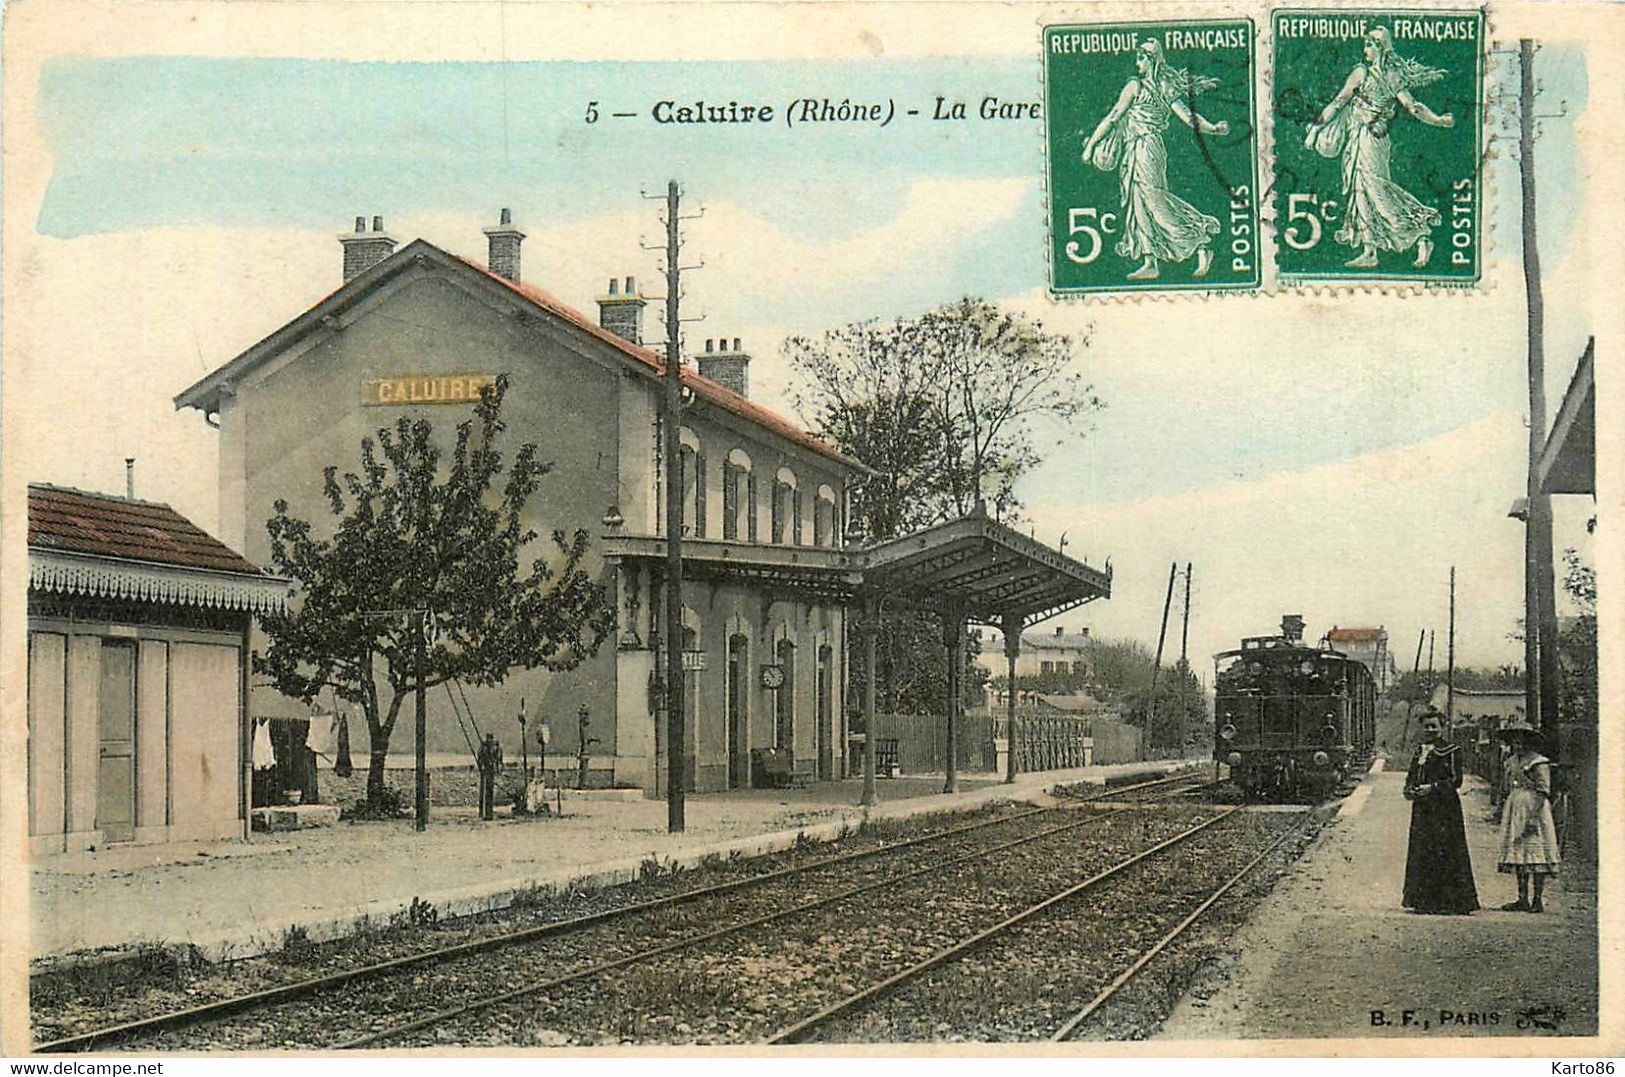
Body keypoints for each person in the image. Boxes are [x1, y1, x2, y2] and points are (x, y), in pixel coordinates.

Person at [1305, 26, 1455, 269]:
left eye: (1369, 45)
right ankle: (1370, 251)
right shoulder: (1369, 74)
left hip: (1372, 140)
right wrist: (1315, 127)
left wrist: (1438, 120)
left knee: (1377, 192)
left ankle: (1420, 236)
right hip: (1359, 139)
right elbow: (1339, 103)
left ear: (1381, 48)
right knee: (1359, 192)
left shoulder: (1379, 75)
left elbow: (1412, 106)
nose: (1365, 50)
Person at [1082, 40, 1228, 281]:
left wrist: (1090, 146)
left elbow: (1115, 116)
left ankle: (1200, 243)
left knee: (1153, 199)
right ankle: (1150, 261)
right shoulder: (1150, 86)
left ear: (1150, 59)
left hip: (1147, 147)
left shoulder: (1143, 86)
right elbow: (1115, 116)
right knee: (1137, 202)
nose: (1136, 63)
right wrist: (1212, 128)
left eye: (1140, 58)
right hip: (1134, 148)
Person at [1401, 709, 1478, 914]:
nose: (1430, 730)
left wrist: (1432, 788)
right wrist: (1409, 789)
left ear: (1442, 727)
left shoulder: (1452, 750)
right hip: (1423, 808)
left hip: (1444, 809)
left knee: (1445, 849)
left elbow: (1456, 780)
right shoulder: (1420, 750)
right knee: (1423, 848)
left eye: (1434, 726)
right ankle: (1424, 901)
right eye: (1427, 726)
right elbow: (1412, 774)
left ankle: (1450, 901)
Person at [1496, 717, 1560, 911]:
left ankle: (1537, 899)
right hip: (1515, 808)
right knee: (1519, 854)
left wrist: (1533, 818)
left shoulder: (1538, 762)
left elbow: (1543, 790)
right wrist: (1502, 806)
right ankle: (1522, 898)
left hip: (1535, 808)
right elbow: (1505, 786)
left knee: (1535, 851)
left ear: (1530, 741)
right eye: (1515, 741)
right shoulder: (1510, 762)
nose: (1518, 744)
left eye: (1522, 740)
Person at [477, 733, 504, 821]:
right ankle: (483, 813)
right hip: (485, 771)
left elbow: (499, 759)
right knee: (484, 792)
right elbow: (480, 758)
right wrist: (481, 766)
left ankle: (488, 813)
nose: (489, 741)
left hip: (490, 771)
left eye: (490, 739)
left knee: (488, 792)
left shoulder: (494, 747)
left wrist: (497, 767)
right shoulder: (484, 747)